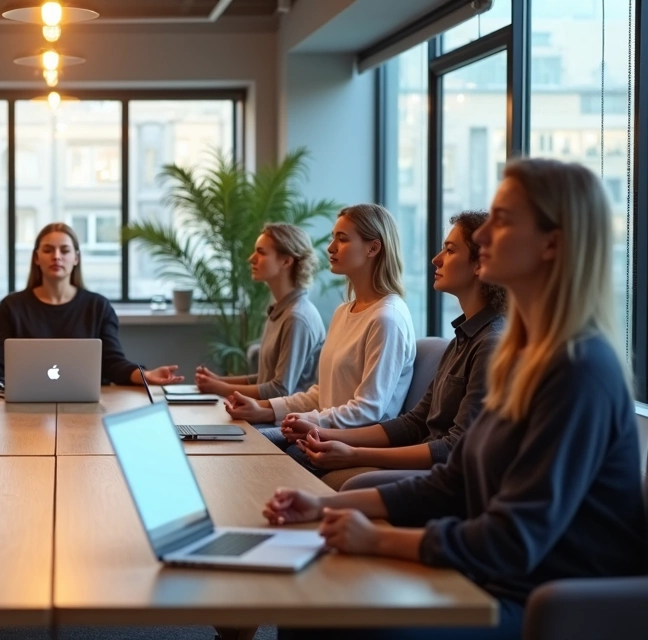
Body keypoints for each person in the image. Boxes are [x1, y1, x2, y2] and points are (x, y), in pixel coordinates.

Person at [265, 159, 648, 640]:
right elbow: (452, 481)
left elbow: (513, 541)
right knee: (316, 603)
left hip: (539, 604)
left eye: (502, 220)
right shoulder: (520, 357)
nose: (483, 236)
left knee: (339, 615)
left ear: (553, 244)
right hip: (489, 577)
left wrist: (378, 537)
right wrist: (323, 507)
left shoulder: (579, 369)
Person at [281, 212, 506, 490]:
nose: (436, 259)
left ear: (479, 264)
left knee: (294, 458)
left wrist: (353, 453)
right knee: (294, 453)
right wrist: (324, 433)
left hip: (445, 480)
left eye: (449, 250)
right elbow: (413, 423)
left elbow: (453, 448)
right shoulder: (462, 338)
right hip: (425, 464)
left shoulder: (491, 344)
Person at [223, 205, 415, 447]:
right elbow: (322, 394)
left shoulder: (387, 319)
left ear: (373, 248)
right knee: (241, 441)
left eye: (342, 239)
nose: (330, 247)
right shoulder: (343, 311)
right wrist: (265, 410)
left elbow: (369, 410)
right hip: (320, 432)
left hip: (347, 443)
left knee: (248, 447)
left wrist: (312, 420)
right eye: (333, 237)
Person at [0, 222, 183, 386]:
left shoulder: (98, 307)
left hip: (86, 410)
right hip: (25, 410)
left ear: (76, 258)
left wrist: (145, 375)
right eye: (48, 250)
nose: (56, 256)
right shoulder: (13, 306)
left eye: (64, 250)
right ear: (36, 258)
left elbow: (112, 363)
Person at [194, 223, 325, 399]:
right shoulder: (281, 311)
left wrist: (220, 388)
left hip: (282, 424)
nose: (251, 258)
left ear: (286, 261)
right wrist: (219, 381)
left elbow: (280, 391)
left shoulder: (296, 318)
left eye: (261, 252)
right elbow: (266, 379)